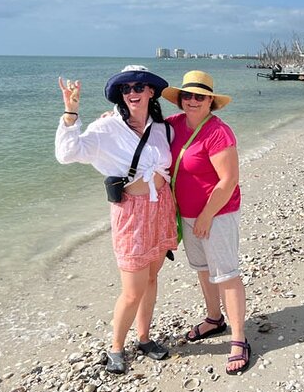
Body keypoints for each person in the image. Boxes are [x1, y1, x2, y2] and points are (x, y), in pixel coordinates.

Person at [54, 65, 177, 374]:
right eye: (126, 89)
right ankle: (116, 347)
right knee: (132, 289)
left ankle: (145, 338)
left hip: (161, 208)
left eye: (139, 87)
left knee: (151, 279)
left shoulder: (163, 128)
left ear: (151, 91)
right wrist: (71, 113)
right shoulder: (106, 127)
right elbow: (68, 153)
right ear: (121, 95)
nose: (133, 93)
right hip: (131, 213)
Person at [161, 70, 250, 375]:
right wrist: (112, 118)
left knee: (226, 274)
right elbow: (139, 131)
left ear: (211, 101)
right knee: (202, 270)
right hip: (187, 214)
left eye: (200, 96)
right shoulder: (172, 126)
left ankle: (239, 339)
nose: (193, 101)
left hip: (217, 214)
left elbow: (229, 180)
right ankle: (215, 319)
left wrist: (207, 215)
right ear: (180, 99)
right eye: (187, 95)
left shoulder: (218, 132)